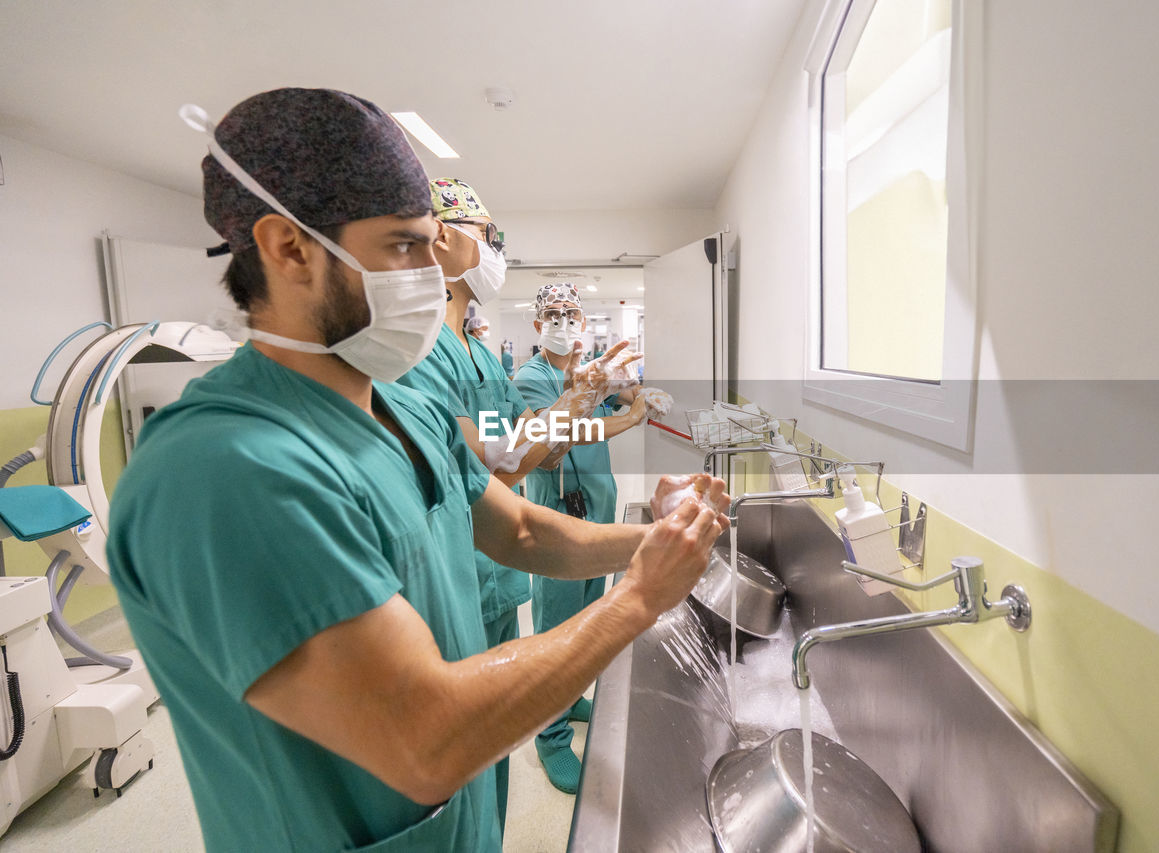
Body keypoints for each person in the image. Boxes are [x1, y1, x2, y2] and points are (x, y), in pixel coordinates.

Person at [107, 88, 729, 852]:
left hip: (457, 809)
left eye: (433, 245)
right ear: (289, 248)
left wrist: (653, 542)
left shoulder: (400, 404)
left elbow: (524, 528)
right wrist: (639, 597)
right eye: (403, 246)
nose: (430, 275)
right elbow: (423, 737)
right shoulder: (225, 469)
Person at [395, 177, 640, 831]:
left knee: (492, 757)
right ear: (439, 236)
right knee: (463, 768)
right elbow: (498, 466)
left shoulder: (473, 347)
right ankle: (551, 739)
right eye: (490, 235)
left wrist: (584, 396)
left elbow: (513, 456)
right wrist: (577, 403)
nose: (497, 249)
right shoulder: (422, 351)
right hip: (463, 574)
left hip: (502, 568)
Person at [514, 282, 650, 793]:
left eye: (572, 313)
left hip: (597, 507)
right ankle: (549, 737)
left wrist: (632, 388)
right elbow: (552, 443)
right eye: (553, 314)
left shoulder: (586, 366)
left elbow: (624, 392)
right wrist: (627, 419)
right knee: (558, 629)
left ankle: (570, 702)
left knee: (591, 611)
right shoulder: (529, 378)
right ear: (536, 324)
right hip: (558, 514)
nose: (563, 322)